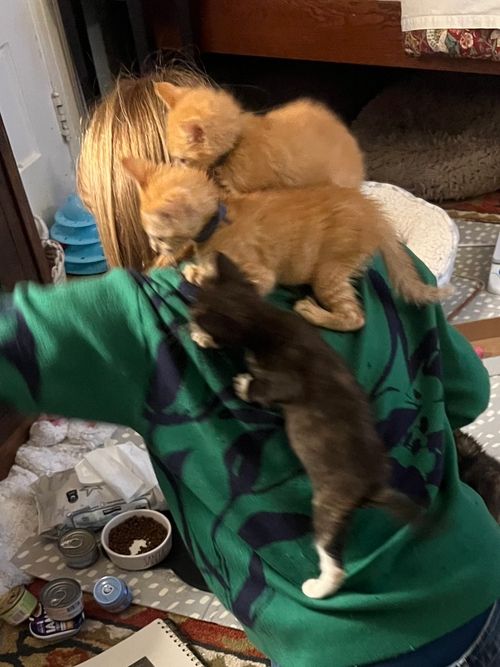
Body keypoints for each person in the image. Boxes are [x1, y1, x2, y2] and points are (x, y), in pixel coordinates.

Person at [1, 70, 499, 667]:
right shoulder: (364, 241)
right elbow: (467, 394)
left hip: (343, 648)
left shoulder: (140, 318)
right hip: (477, 579)